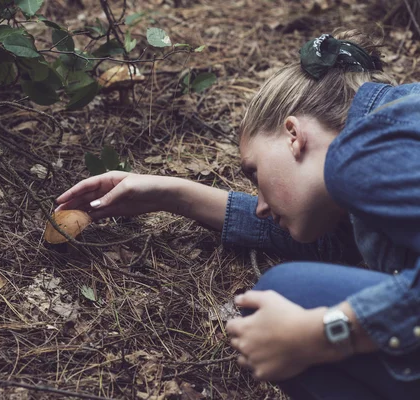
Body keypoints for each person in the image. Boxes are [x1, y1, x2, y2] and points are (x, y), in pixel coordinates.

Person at [55, 29, 420, 399]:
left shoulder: (363, 147)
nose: (261, 203)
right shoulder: (388, 136)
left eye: (254, 173)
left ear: (293, 134)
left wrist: (325, 332)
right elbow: (336, 242)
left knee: (290, 294)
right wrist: (173, 196)